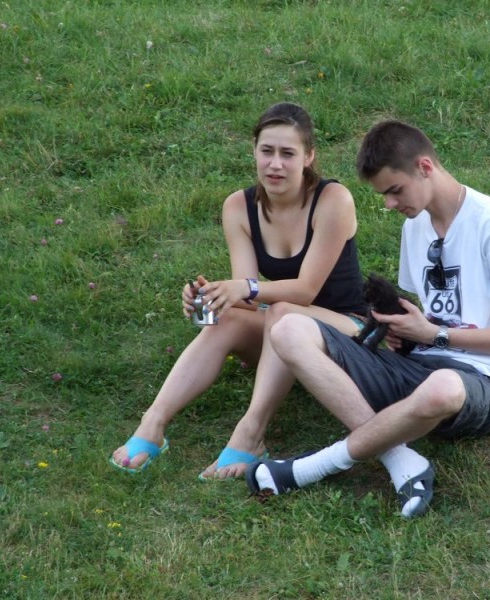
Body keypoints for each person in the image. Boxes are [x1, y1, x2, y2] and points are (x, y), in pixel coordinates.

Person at [245, 119, 490, 517]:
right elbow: (432, 314)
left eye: (395, 190)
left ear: (425, 167)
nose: (389, 204)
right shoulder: (415, 227)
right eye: (383, 194)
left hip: (481, 381)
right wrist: (406, 333)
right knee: (287, 328)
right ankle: (402, 460)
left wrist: (434, 334)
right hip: (419, 366)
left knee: (442, 388)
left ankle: (309, 469)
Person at [110, 102, 367, 478]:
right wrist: (213, 299)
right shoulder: (239, 207)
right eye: (267, 151)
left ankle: (251, 435)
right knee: (231, 316)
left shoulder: (333, 200)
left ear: (309, 156)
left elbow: (305, 292)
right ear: (254, 151)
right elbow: (248, 300)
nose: (275, 164)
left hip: (348, 331)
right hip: (285, 332)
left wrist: (243, 288)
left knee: (283, 311)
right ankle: (153, 423)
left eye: (287, 153)